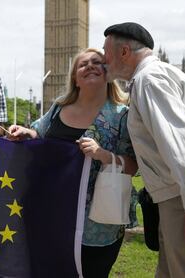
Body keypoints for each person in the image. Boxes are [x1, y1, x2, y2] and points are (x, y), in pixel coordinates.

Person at [8, 48, 138, 277]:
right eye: (83, 64)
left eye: (97, 63)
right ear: (75, 79)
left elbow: (135, 165)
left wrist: (104, 156)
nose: (90, 66)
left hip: (98, 224)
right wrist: (26, 133)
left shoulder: (122, 116)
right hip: (55, 214)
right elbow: (39, 135)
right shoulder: (59, 108)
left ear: (108, 74)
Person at [103, 22, 185, 277]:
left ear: (124, 52)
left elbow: (182, 145)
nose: (102, 59)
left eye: (106, 52)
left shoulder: (149, 80)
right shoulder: (161, 75)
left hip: (184, 197)